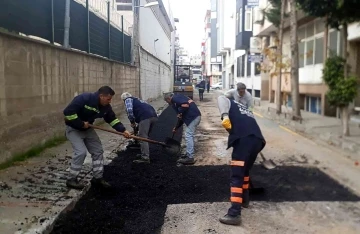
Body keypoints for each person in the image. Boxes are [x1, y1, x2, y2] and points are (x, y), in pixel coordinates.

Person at [63, 86, 131, 190]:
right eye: (108, 99)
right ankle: (71, 179)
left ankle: (97, 178)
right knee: (81, 152)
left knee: (98, 151)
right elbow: (68, 113)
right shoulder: (84, 98)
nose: (110, 101)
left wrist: (123, 130)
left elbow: (112, 119)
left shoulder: (106, 107)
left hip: (88, 130)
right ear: (101, 96)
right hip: (73, 129)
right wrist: (80, 123)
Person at [217, 95, 266, 226]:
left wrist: (225, 115)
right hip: (258, 141)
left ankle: (234, 214)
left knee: (236, 176)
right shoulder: (244, 109)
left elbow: (221, 98)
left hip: (244, 140)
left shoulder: (228, 101)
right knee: (244, 172)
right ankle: (245, 199)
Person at [164, 93, 201, 165]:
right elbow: (181, 118)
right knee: (189, 135)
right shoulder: (178, 100)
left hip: (193, 117)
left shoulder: (175, 98)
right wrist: (176, 127)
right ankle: (188, 154)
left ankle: (190, 157)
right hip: (194, 117)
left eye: (166, 101)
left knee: (188, 134)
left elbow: (185, 105)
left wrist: (180, 112)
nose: (167, 103)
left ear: (168, 99)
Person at [121, 92, 158, 164]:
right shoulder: (138, 100)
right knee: (147, 136)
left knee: (142, 138)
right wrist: (137, 128)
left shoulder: (127, 99)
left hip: (145, 118)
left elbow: (129, 111)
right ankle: (145, 152)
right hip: (154, 116)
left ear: (123, 99)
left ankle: (145, 158)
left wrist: (132, 121)